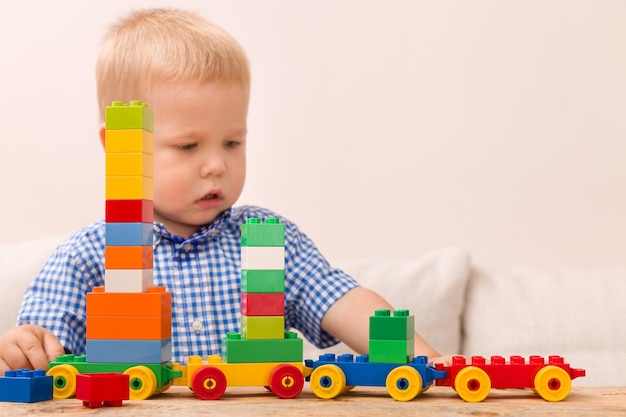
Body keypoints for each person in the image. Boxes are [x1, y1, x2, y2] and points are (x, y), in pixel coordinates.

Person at [0, 8, 452, 373]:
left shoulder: (268, 238)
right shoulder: (87, 255)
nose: (216, 164)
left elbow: (340, 299)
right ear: (122, 146)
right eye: (188, 145)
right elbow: (42, 344)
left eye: (232, 142)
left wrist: (426, 361)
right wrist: (25, 348)